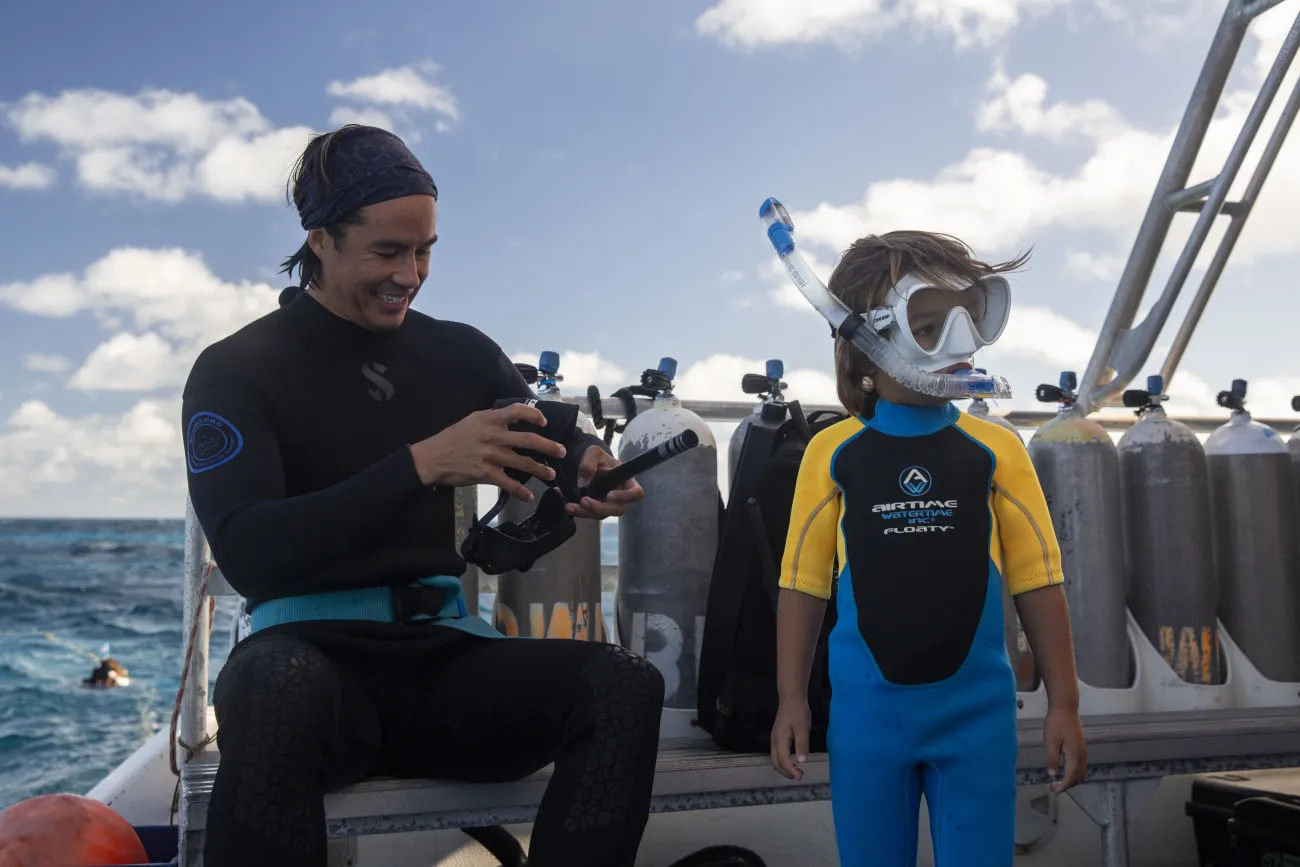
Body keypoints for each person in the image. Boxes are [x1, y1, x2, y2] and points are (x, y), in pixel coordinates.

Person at [182, 123, 665, 867]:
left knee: (624, 683)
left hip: (444, 662)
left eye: (426, 249)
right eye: (386, 250)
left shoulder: (459, 352)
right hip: (309, 665)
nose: (410, 272)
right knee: (276, 683)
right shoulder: (237, 369)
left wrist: (588, 467)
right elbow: (249, 553)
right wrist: (419, 465)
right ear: (321, 239)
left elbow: (553, 440)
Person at [766, 231, 1087, 865]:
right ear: (866, 344)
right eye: (930, 325)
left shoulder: (998, 449)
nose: (958, 343)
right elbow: (802, 584)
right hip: (865, 721)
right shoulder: (832, 454)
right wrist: (792, 700)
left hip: (977, 721)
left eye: (970, 315)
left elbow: (1038, 581)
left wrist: (1065, 705)